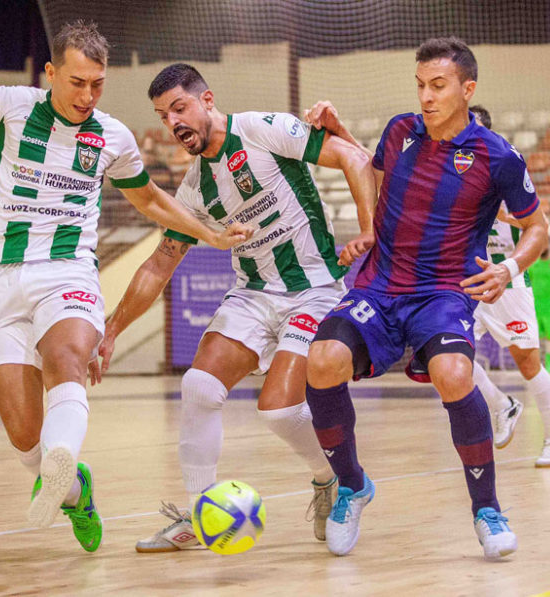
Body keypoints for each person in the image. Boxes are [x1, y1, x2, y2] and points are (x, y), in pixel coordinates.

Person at [0, 22, 251, 553]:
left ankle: (59, 463)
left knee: (68, 357)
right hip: (1, 278)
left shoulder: (112, 136)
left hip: (68, 271)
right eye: (77, 82)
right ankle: (73, 485)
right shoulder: (11, 105)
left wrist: (209, 234)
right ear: (52, 73)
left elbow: (150, 200)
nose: (87, 95)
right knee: (22, 435)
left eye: (97, 84)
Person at [88, 63, 378, 552]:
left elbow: (352, 156)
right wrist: (112, 329)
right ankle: (201, 517)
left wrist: (368, 230)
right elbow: (159, 265)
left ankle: (335, 478)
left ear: (206, 100)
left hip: (314, 289)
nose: (173, 123)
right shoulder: (195, 189)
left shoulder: (261, 130)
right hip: (252, 293)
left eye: (179, 107)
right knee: (198, 386)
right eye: (163, 116)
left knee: (281, 410)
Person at [304, 37, 547, 560]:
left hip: (442, 293)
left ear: (468, 89)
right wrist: (344, 143)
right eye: (420, 85)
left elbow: (537, 229)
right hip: (381, 284)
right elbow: (374, 174)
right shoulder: (400, 130)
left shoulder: (497, 156)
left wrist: (509, 267)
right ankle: (352, 486)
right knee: (322, 361)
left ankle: (487, 509)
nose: (426, 96)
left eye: (438, 85)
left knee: (457, 374)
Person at [468, 105, 550, 468]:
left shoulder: (505, 166)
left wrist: (504, 211)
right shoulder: (451, 171)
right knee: (444, 354)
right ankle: (501, 404)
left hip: (507, 279)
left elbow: (542, 224)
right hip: (469, 280)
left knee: (528, 363)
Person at [528, 249, 550, 373]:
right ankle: (537, 372)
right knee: (534, 341)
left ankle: (549, 372)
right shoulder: (533, 265)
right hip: (535, 308)